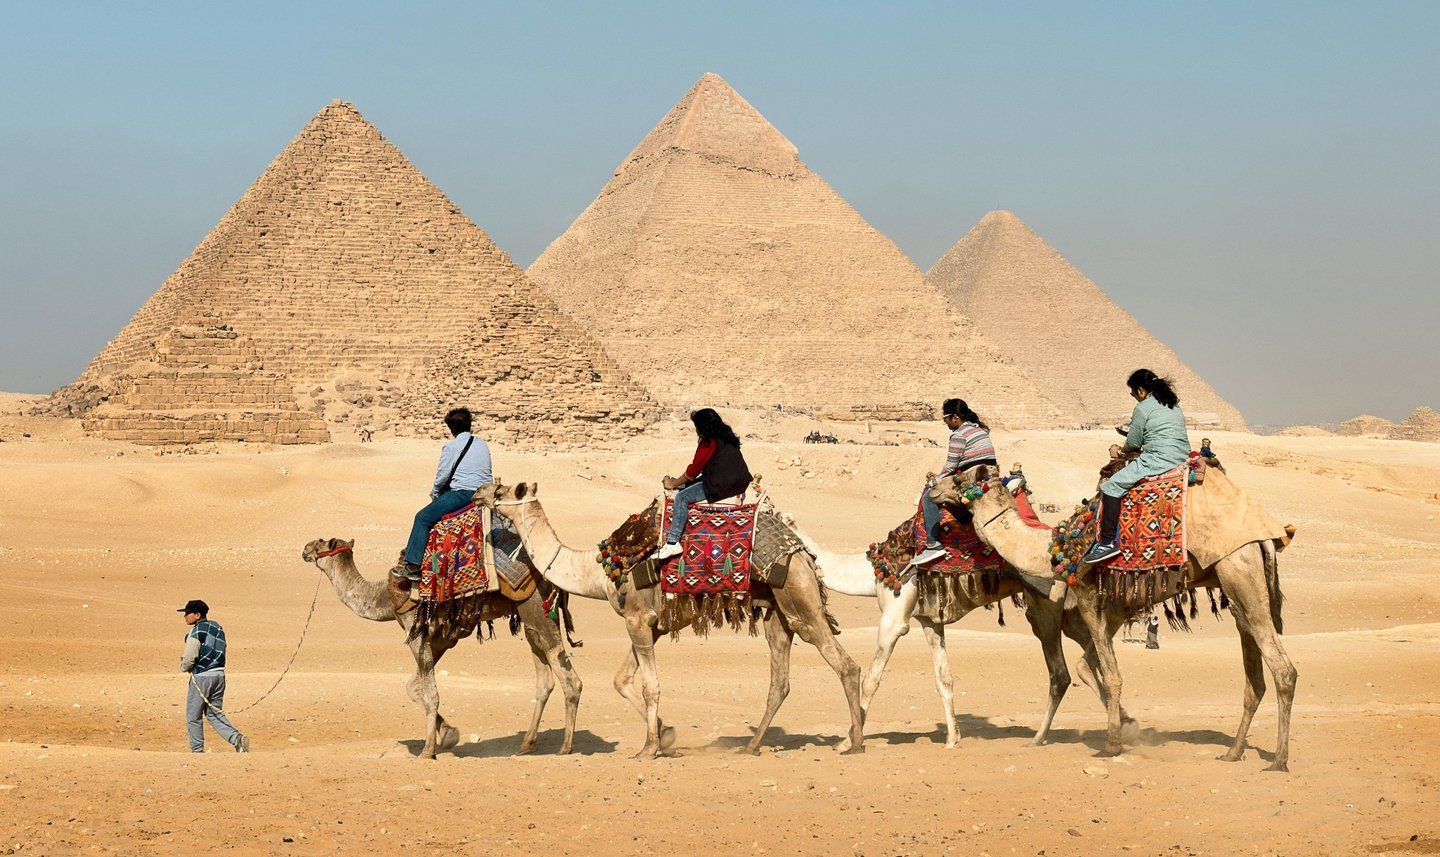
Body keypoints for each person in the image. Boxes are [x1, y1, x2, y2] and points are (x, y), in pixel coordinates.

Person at [1083, 369, 1190, 564]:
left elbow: (1133, 443)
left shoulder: (1143, 407)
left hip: (1159, 458)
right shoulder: (1172, 403)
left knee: (1111, 486)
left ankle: (1107, 543)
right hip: (1182, 456)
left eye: (1132, 392)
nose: (1133, 396)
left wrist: (1119, 450)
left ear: (1140, 390)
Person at [393, 407, 493, 580]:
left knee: (422, 518)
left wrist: (436, 492)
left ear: (451, 429)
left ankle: (414, 566)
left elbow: (442, 476)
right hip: (486, 494)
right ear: (470, 425)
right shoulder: (482, 444)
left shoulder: (451, 446)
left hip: (463, 495)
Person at [653, 408, 752, 561]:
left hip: (721, 484)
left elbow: (693, 470)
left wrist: (673, 484)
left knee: (681, 497)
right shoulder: (726, 436)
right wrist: (678, 482)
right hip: (737, 480)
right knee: (684, 485)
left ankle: (673, 542)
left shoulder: (709, 441)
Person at [913, 399, 998, 567]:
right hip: (989, 476)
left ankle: (933, 544)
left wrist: (934, 481)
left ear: (954, 417)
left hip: (972, 479)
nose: (947, 425)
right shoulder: (979, 430)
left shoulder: (958, 435)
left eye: (946, 420)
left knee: (929, 497)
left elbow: (951, 466)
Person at [179, 599, 249, 753]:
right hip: (219, 675)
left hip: (202, 677)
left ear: (197, 615)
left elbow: (190, 656)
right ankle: (237, 739)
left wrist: (184, 666)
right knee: (214, 713)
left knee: (193, 716)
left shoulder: (197, 631)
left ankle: (197, 751)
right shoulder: (218, 627)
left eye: (187, 613)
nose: (185, 616)